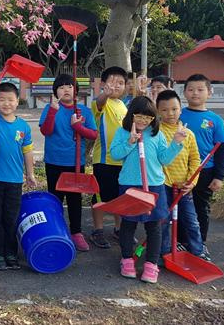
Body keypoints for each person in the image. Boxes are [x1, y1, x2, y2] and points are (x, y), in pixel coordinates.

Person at [110, 96, 186, 284]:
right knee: (128, 224)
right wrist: (130, 141)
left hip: (154, 186)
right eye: (139, 116)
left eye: (148, 117)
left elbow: (165, 159)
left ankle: (151, 264)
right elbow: (115, 154)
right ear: (131, 115)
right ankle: (127, 259)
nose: (143, 121)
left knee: (155, 226)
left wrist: (176, 143)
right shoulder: (122, 132)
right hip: (130, 186)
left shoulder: (156, 134)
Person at [39, 74, 97, 252]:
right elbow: (45, 131)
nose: (66, 90)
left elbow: (93, 134)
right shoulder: (51, 108)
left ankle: (76, 232)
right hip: (54, 161)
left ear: (76, 90)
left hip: (75, 162)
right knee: (55, 199)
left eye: (70, 86)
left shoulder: (83, 111)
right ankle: (56, 230)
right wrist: (52, 111)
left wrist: (78, 127)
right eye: (62, 87)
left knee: (75, 199)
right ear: (55, 91)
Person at [0, 82, 37, 270]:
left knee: (11, 219)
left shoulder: (24, 126)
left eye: (10, 100)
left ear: (17, 101)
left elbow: (28, 152)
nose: (6, 103)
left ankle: (11, 253)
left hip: (15, 180)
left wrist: (30, 173)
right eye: (1, 100)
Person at [178, 74, 224, 256]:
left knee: (201, 208)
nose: (195, 93)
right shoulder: (177, 114)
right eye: (191, 89)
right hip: (180, 169)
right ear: (184, 92)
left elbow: (221, 151)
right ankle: (182, 241)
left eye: (200, 90)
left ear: (209, 93)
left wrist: (219, 177)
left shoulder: (215, 120)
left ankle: (200, 242)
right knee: (181, 207)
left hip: (205, 171)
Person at [156, 90, 209, 261]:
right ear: (158, 111)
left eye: (174, 109)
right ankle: (163, 253)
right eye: (164, 110)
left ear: (181, 110)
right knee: (163, 221)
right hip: (163, 185)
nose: (170, 113)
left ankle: (198, 251)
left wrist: (192, 182)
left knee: (191, 221)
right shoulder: (156, 132)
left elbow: (195, 160)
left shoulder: (189, 134)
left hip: (184, 187)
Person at [90, 66, 128, 248]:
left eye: (121, 83)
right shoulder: (99, 102)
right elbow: (100, 101)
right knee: (101, 198)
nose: (117, 87)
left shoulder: (124, 106)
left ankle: (119, 230)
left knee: (120, 198)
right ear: (104, 84)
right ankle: (97, 230)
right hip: (104, 160)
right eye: (113, 83)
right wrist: (105, 93)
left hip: (124, 161)